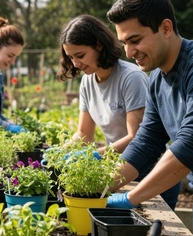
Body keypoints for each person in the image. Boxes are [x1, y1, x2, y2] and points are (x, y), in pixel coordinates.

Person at [105, 0, 193, 236]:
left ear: (166, 28)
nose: (128, 52)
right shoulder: (157, 80)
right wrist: (100, 186)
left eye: (135, 40)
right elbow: (146, 142)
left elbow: (192, 143)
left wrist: (130, 198)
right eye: (124, 42)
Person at [57, 14, 180, 210]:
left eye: (80, 55)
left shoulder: (131, 78)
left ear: (99, 45)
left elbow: (137, 137)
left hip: (150, 173)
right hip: (118, 170)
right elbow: (83, 134)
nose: (75, 64)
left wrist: (95, 155)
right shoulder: (88, 81)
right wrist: (59, 154)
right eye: (70, 57)